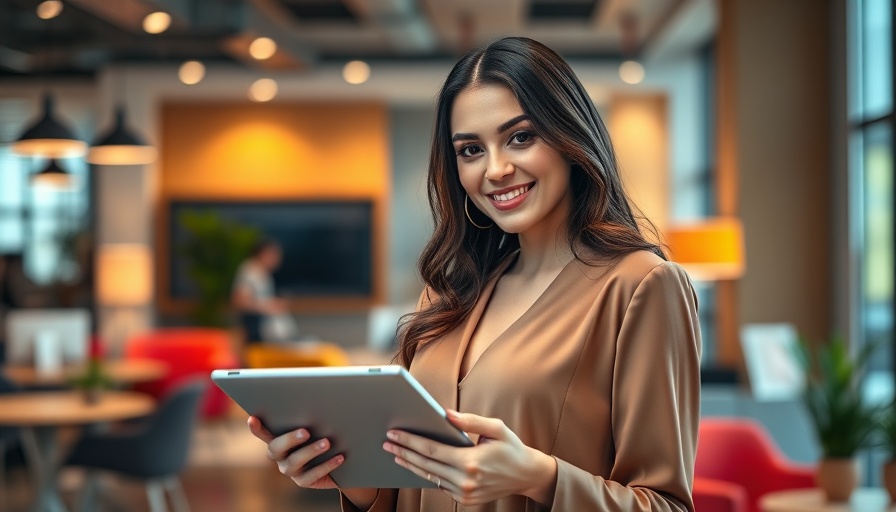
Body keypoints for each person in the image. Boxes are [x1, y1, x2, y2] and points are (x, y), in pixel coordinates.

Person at [248, 37, 701, 512]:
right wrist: (345, 474)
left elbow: (666, 504)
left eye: (521, 137)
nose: (496, 169)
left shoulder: (641, 286)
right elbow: (406, 488)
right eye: (470, 150)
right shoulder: (450, 291)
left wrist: (539, 477)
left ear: (570, 138)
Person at [231, 238, 289, 344]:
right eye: (275, 255)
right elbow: (240, 302)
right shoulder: (249, 271)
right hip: (256, 329)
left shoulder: (263, 273)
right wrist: (269, 306)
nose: (278, 259)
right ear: (264, 253)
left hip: (267, 330)